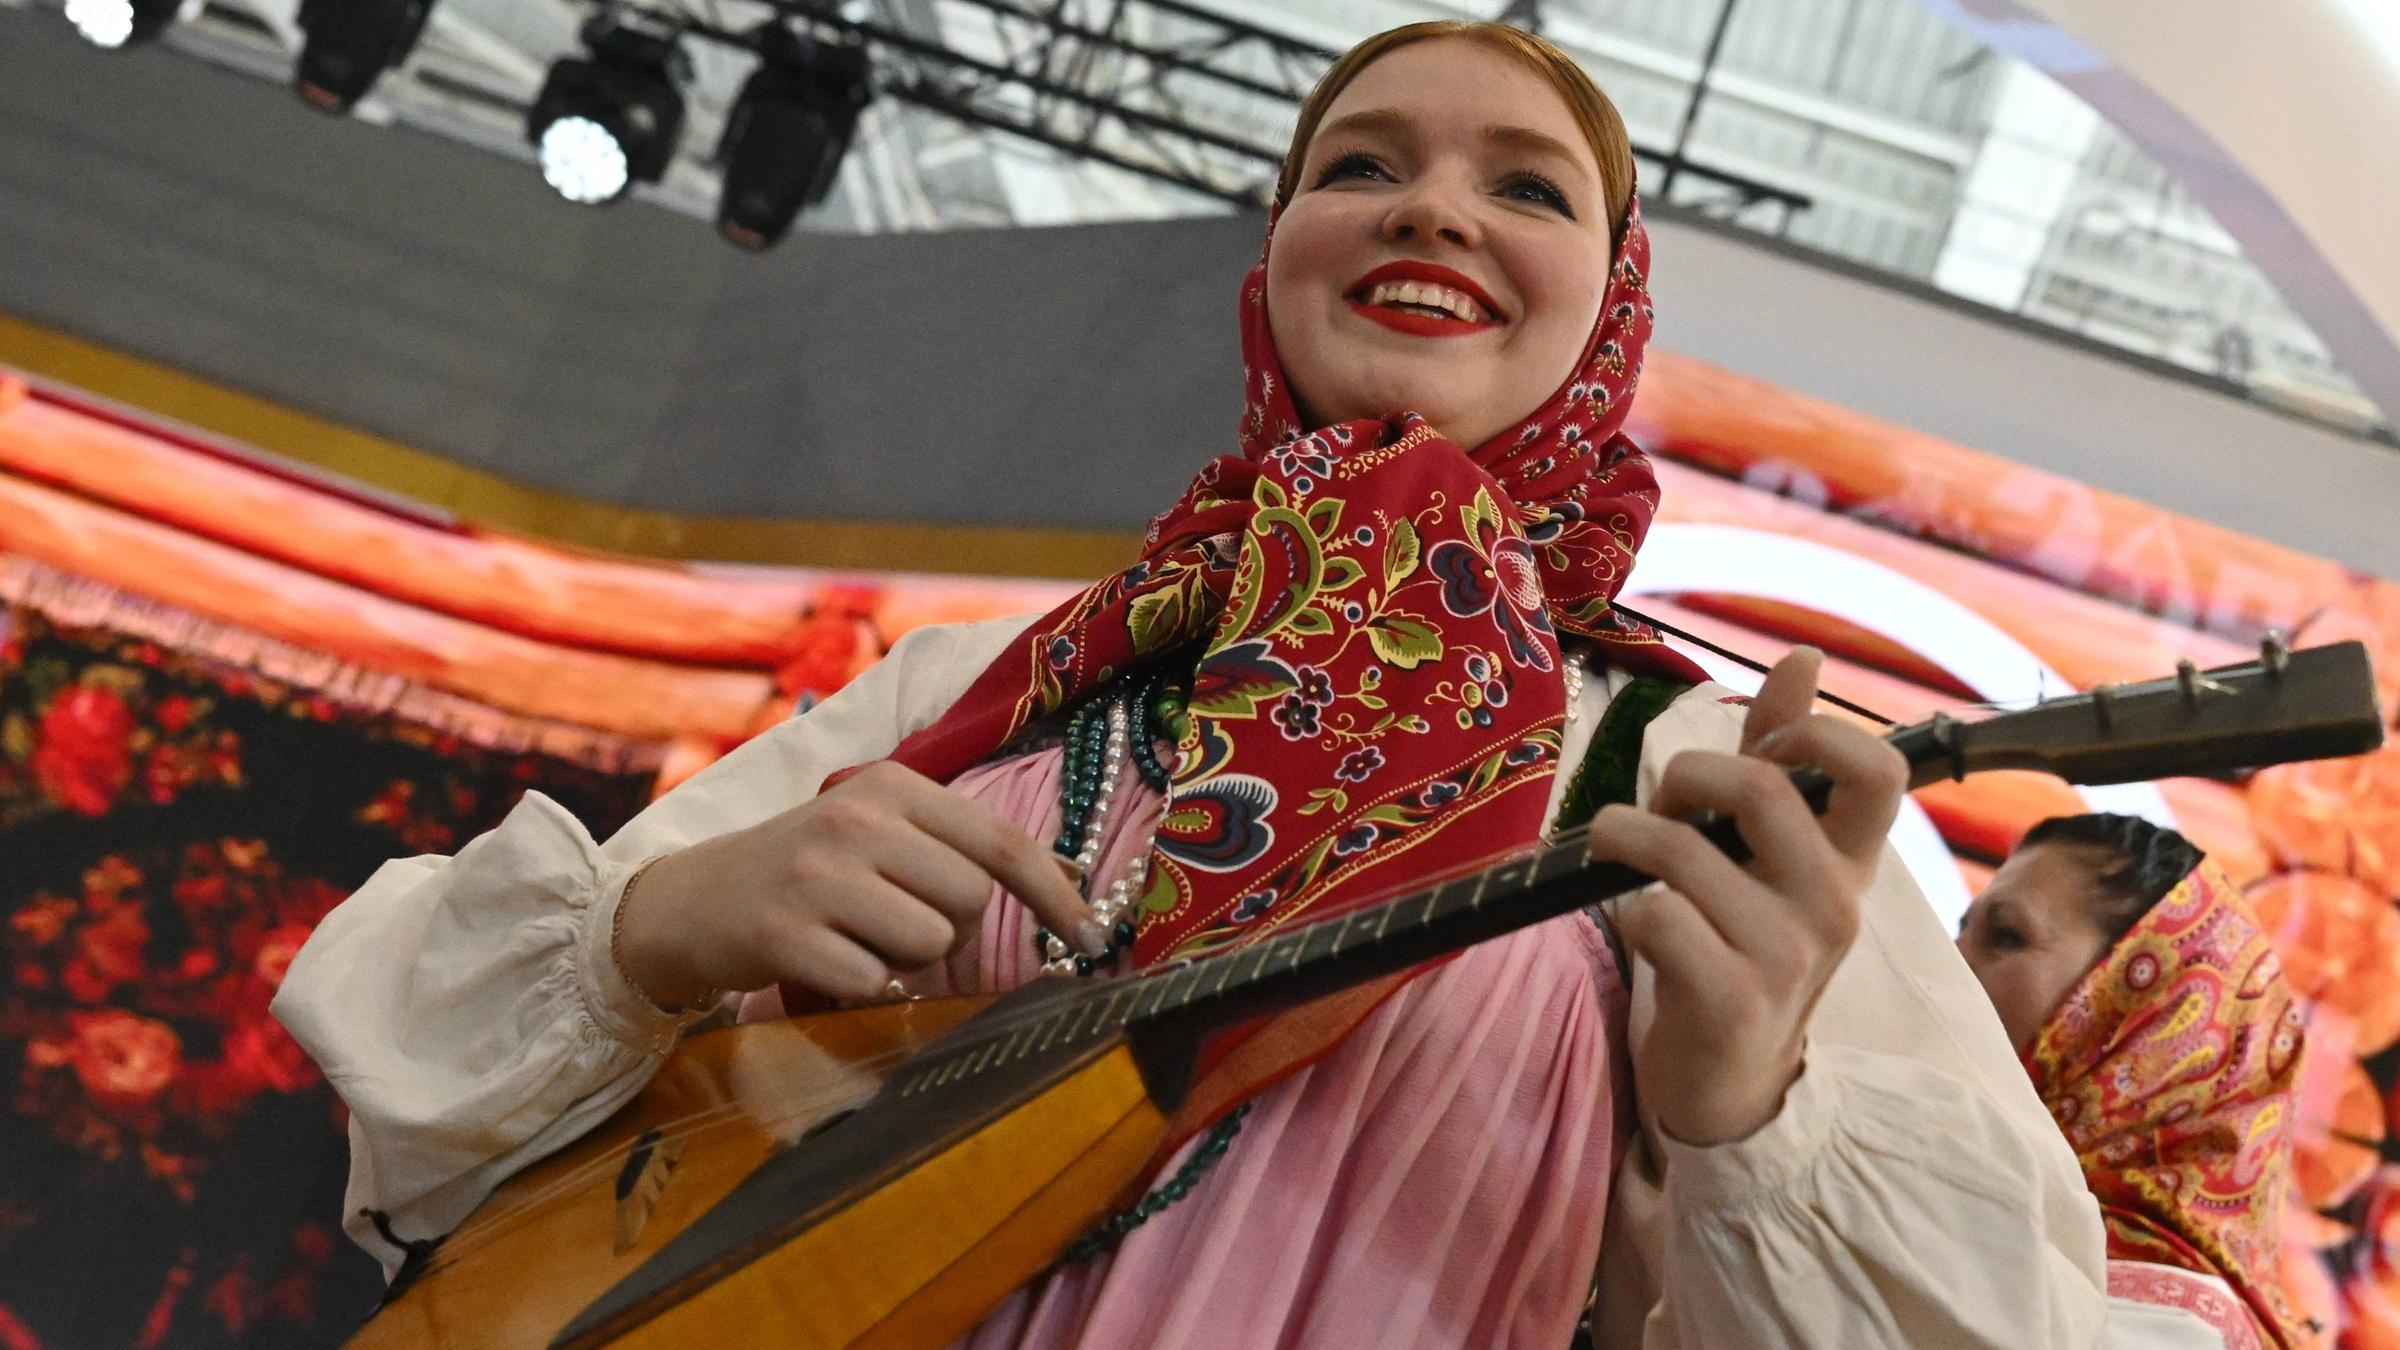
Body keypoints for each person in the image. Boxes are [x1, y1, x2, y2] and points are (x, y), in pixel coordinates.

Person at [278, 21, 2151, 1347]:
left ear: (1614, 305)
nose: (1433, 210)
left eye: (1527, 185)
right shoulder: (981, 684)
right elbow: (428, 1117)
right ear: (1272, 266)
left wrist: (1755, 1106)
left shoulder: (1698, 779)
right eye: (1362, 165)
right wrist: (663, 926)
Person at [1958, 814, 2308, 1350]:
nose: (1950, 963)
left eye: (2005, 936)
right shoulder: (2003, 1207)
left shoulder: (2160, 1329)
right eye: (1961, 929)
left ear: (2144, 1018)